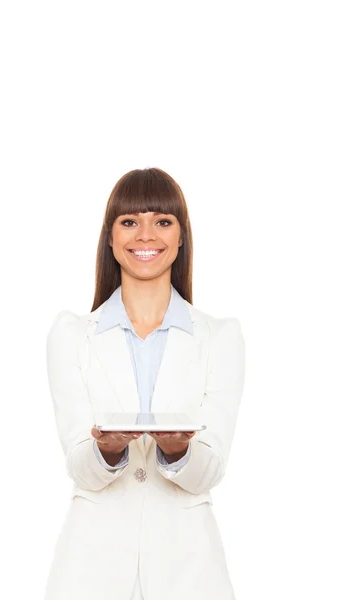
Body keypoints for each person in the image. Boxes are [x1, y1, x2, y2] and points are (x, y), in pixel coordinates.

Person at [44, 167, 246, 600]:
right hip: (90, 570)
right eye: (130, 221)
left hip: (190, 571)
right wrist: (107, 448)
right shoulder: (71, 334)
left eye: (163, 221)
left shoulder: (220, 337)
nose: (146, 235)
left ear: (180, 236)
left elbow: (210, 470)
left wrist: (179, 450)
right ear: (111, 237)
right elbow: (80, 466)